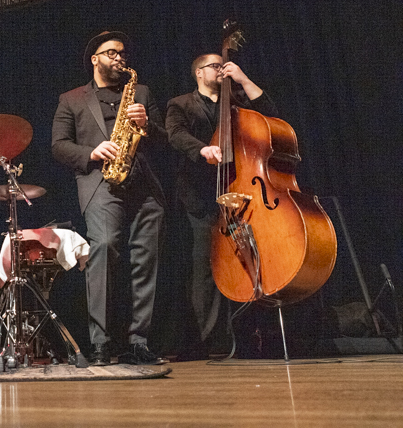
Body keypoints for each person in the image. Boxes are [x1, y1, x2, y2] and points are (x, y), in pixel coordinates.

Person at [51, 31, 168, 366]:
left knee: (146, 260)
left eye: (123, 54)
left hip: (143, 184)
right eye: (112, 53)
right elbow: (59, 145)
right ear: (95, 59)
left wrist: (147, 125)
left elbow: (163, 140)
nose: (120, 58)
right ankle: (101, 342)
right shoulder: (71, 99)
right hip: (101, 181)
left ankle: (139, 341)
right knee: (102, 247)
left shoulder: (141, 92)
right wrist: (92, 151)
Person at [165, 53, 277, 357]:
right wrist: (203, 148)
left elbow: (272, 116)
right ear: (200, 72)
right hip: (200, 195)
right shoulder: (181, 104)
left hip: (244, 191)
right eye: (216, 65)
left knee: (254, 260)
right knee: (207, 267)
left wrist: (242, 78)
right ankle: (215, 342)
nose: (222, 68)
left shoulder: (237, 100)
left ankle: (257, 334)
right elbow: (175, 135)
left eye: (223, 64)